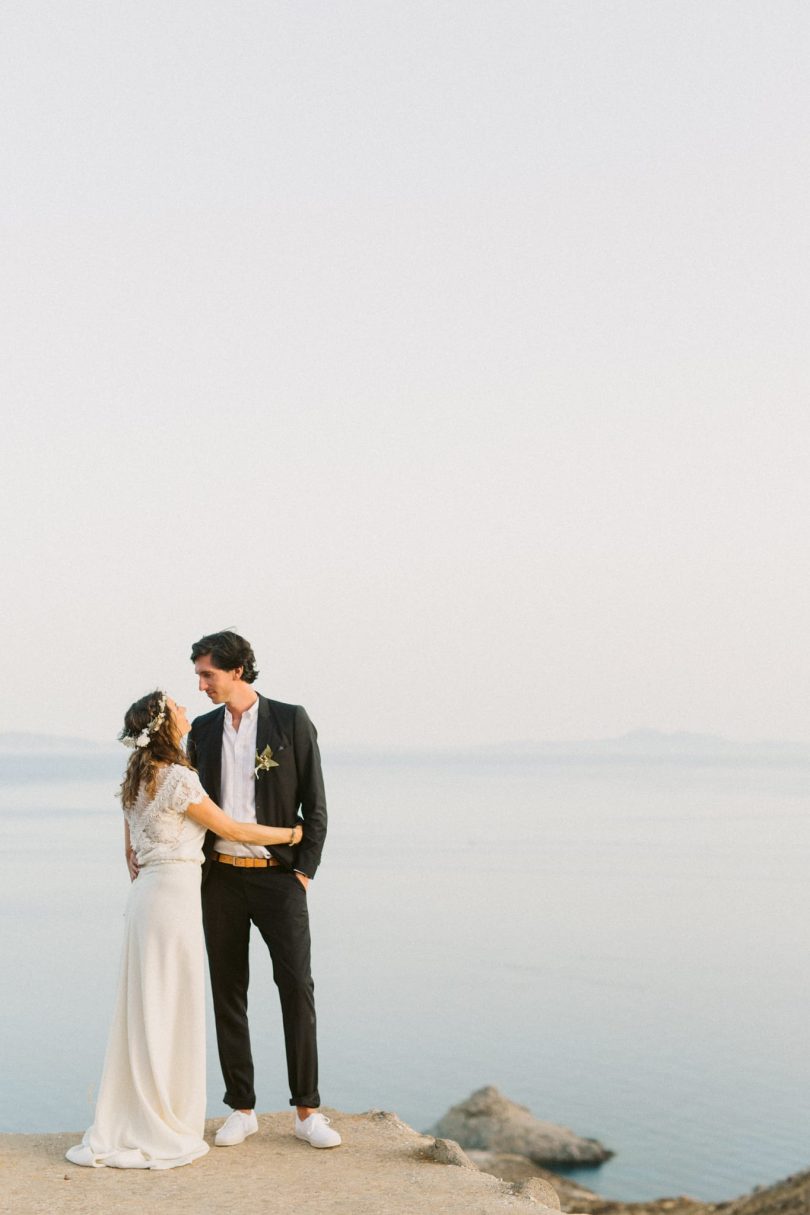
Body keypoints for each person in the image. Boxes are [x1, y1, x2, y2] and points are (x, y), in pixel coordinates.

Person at [65, 690, 303, 1171]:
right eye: (176, 709)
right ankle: (165, 1116)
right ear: (165, 726)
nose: (186, 712)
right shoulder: (178, 778)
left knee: (145, 1004)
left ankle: (138, 1110)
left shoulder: (135, 778)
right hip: (173, 901)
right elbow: (233, 829)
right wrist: (292, 835)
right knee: (173, 1003)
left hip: (145, 899)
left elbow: (130, 845)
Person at [188, 630, 340, 1149]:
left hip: (279, 878)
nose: (202, 684)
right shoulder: (203, 731)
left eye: (208, 674)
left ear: (237, 671)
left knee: (296, 988)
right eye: (199, 676)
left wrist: (304, 870)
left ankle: (307, 1112)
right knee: (228, 991)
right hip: (221, 879)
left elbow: (316, 803)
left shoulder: (290, 720)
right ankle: (242, 1107)